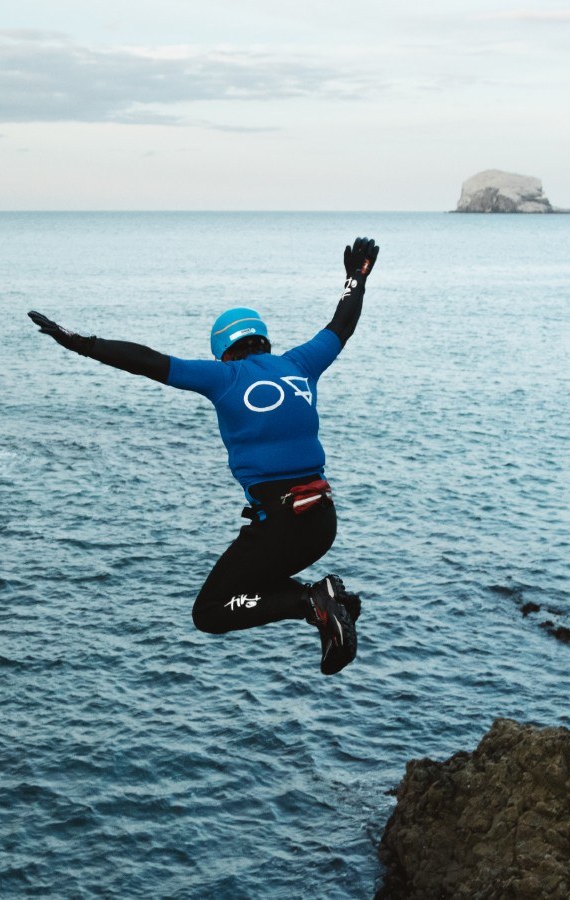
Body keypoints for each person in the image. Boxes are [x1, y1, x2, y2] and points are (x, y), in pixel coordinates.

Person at [27, 237, 378, 675]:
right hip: (322, 521)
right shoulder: (301, 364)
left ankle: (314, 601)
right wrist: (356, 276)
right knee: (253, 581)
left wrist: (80, 342)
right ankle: (326, 604)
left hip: (283, 522)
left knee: (210, 610)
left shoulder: (224, 376)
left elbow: (149, 362)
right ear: (262, 341)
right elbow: (342, 324)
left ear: (224, 350)